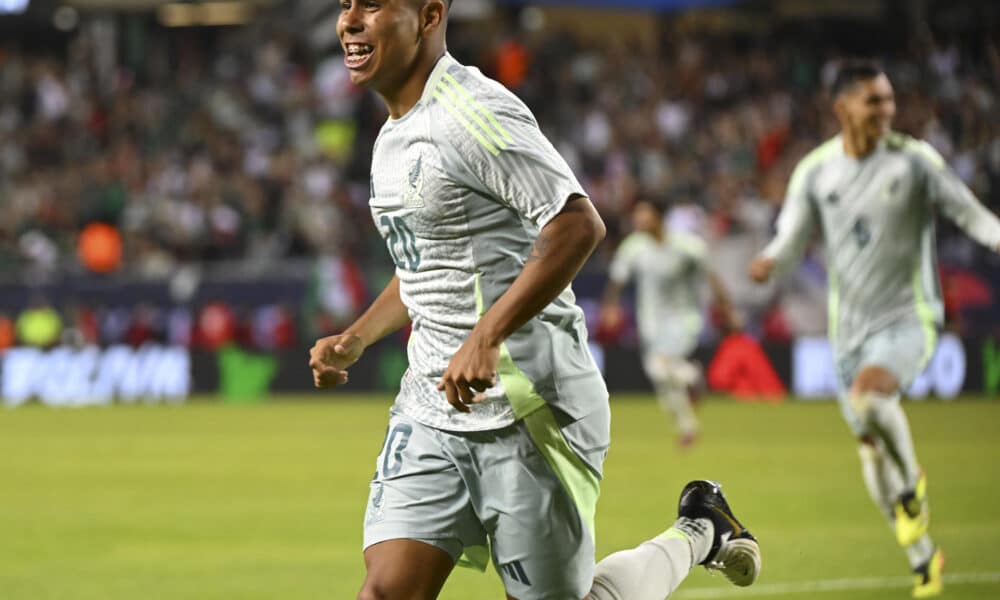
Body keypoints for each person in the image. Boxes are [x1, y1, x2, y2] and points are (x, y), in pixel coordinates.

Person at [309, 1, 761, 598]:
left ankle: (699, 529)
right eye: (345, 5)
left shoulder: (471, 112)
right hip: (431, 409)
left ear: (428, 14)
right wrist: (359, 336)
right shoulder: (391, 136)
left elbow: (577, 224)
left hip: (528, 410)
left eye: (372, 4)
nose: (350, 20)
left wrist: (486, 335)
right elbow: (426, 268)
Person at [749, 60, 1000, 599]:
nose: (886, 110)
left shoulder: (914, 162)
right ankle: (922, 558)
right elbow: (791, 236)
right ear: (842, 107)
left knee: (870, 400)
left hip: (910, 316)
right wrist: (770, 260)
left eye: (889, 99)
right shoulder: (816, 170)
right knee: (868, 445)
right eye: (874, 101)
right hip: (849, 333)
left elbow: (971, 214)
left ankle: (913, 488)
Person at [600, 197, 739, 447]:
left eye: (644, 213)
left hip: (684, 319)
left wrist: (726, 308)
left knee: (661, 367)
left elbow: (712, 276)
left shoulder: (687, 246)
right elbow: (617, 280)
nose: (638, 220)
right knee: (662, 376)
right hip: (650, 322)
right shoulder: (634, 248)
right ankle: (689, 417)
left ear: (658, 216)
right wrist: (611, 307)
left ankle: (692, 381)